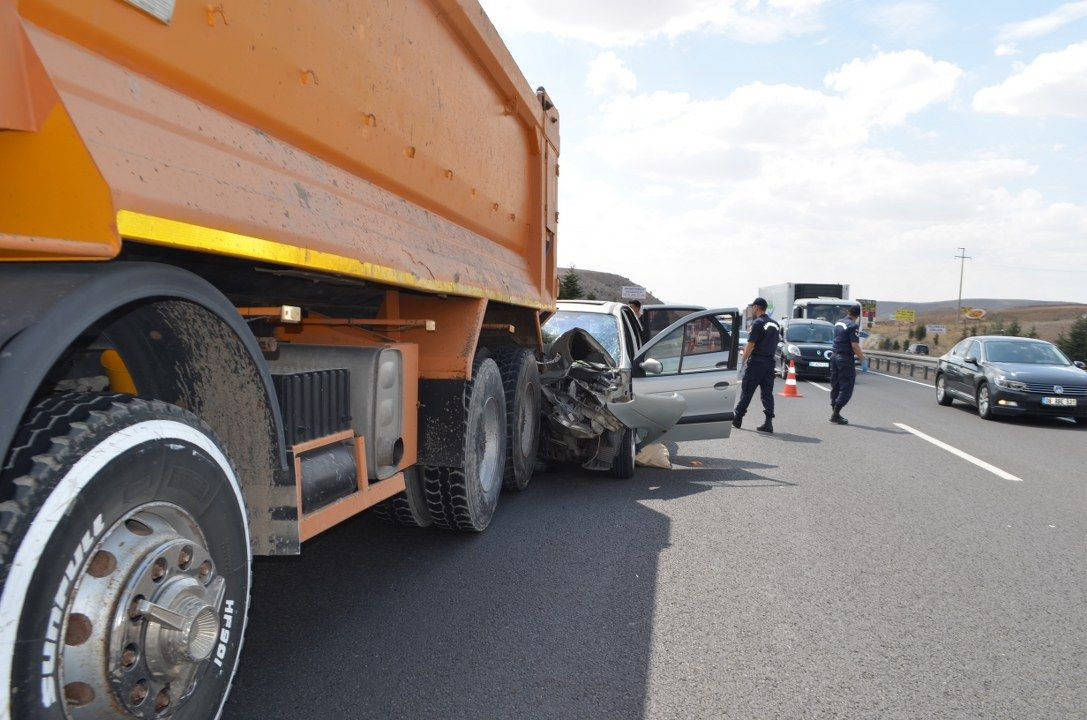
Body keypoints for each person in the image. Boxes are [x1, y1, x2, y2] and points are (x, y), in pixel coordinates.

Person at [733, 297, 780, 433]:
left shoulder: (758, 323)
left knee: (747, 391)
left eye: (753, 307)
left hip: (757, 362)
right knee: (767, 393)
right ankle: (768, 422)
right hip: (770, 363)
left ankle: (738, 418)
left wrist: (743, 360)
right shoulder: (775, 324)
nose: (752, 309)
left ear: (756, 307)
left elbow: (751, 344)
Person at [830, 304, 866, 424]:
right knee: (847, 385)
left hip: (834, 356)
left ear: (848, 312)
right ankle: (836, 413)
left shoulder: (838, 322)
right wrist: (863, 360)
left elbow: (841, 337)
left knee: (836, 384)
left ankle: (834, 410)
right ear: (858, 315)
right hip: (844, 358)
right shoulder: (853, 325)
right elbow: (855, 346)